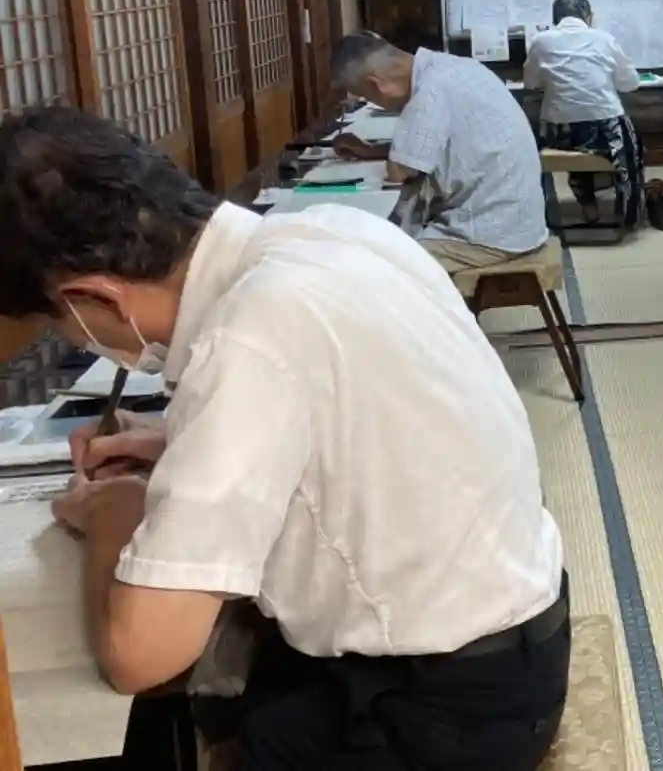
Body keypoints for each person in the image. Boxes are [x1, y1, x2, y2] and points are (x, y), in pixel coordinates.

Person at [0, 106, 567, 770]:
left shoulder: (247, 335)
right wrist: (175, 439)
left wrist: (110, 516)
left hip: (441, 710)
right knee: (236, 684)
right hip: (513, 642)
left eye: (59, 324)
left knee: (185, 711)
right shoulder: (333, 231)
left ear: (95, 297)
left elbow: (139, 656)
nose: (72, 338)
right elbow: (353, 421)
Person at [330, 31, 549, 277]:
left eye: (366, 95)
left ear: (377, 85)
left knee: (377, 268)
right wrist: (370, 151)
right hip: (519, 217)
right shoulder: (449, 66)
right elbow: (426, 150)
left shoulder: (428, 92)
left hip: (492, 233)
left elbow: (400, 171)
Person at [523, 0, 646, 226]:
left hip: (559, 133)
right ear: (587, 16)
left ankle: (587, 204)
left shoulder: (541, 41)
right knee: (631, 150)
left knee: (567, 134)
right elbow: (631, 83)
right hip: (606, 130)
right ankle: (628, 211)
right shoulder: (605, 39)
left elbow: (530, 83)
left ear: (555, 18)